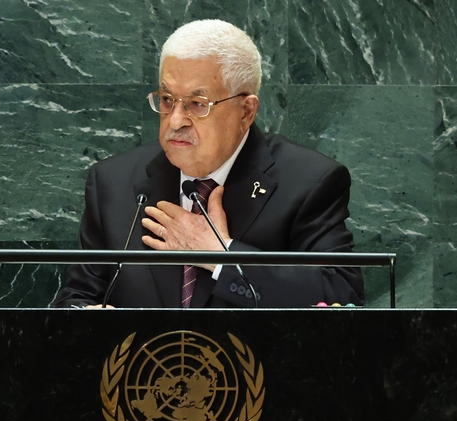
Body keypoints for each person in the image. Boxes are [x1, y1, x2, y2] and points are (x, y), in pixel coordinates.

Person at [54, 19, 364, 308]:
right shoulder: (113, 182)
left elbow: (341, 295)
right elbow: (78, 300)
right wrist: (92, 321)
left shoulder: (308, 182)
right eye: (166, 99)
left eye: (197, 105)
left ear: (246, 111)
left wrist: (223, 256)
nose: (176, 120)